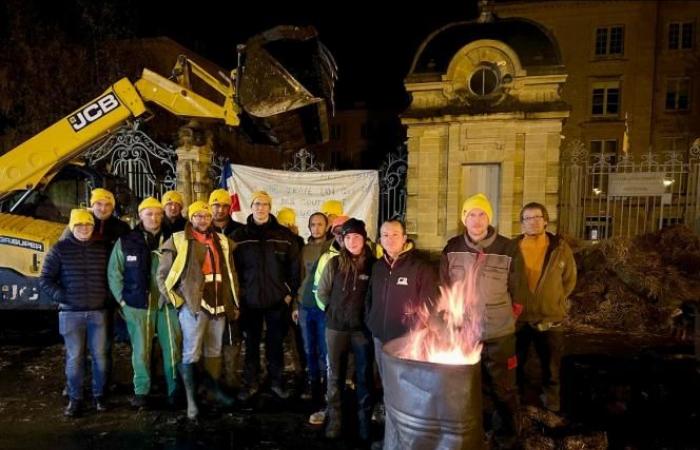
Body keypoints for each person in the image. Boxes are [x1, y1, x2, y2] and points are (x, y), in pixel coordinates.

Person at [440, 193, 522, 449]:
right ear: (464, 219)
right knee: (469, 388)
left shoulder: (508, 248)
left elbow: (519, 292)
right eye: (471, 214)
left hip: (499, 333)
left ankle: (507, 437)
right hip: (464, 334)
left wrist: (507, 320)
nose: (477, 220)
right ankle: (476, 433)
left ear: (490, 217)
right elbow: (444, 288)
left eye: (482, 214)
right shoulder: (452, 247)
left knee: (503, 388)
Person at [157, 200, 240, 420]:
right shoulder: (177, 240)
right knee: (191, 351)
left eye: (206, 216)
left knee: (214, 350)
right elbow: (162, 276)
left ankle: (209, 395)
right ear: (191, 218)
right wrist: (178, 301)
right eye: (198, 216)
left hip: (219, 303)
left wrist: (234, 302)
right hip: (194, 304)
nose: (202, 220)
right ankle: (192, 402)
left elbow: (231, 274)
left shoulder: (221, 240)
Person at [108, 197, 182, 409]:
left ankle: (175, 390)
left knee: (173, 347)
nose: (154, 217)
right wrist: (122, 301)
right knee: (140, 350)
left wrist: (179, 298)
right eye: (149, 213)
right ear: (140, 215)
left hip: (167, 304)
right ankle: (142, 391)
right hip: (138, 305)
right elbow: (114, 273)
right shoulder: (127, 240)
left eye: (158, 213)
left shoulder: (173, 239)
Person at [231, 191, 301, 401]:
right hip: (249, 300)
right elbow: (232, 268)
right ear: (251, 207)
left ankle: (276, 382)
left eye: (265, 204)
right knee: (251, 343)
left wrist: (289, 293)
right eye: (257, 204)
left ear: (270, 207)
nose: (260, 208)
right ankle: (251, 382)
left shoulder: (284, 235)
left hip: (277, 301)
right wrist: (240, 294)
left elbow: (295, 267)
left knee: (275, 343)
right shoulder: (239, 236)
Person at [40, 209, 110, 417]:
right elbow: (45, 279)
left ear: (93, 226)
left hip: (98, 312)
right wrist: (64, 296)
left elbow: (113, 275)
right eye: (79, 225)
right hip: (70, 314)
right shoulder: (59, 249)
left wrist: (106, 297)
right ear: (72, 227)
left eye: (87, 225)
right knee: (75, 357)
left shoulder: (103, 249)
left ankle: (100, 396)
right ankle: (75, 399)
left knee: (101, 357)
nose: (84, 229)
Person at [514, 202, 576, 413]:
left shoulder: (559, 248)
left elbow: (569, 280)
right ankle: (518, 405)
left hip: (550, 318)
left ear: (546, 221)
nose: (533, 221)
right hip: (519, 318)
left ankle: (551, 406)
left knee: (552, 368)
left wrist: (554, 299)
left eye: (537, 217)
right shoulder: (513, 248)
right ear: (522, 224)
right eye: (528, 218)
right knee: (516, 365)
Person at [317, 218, 376, 441]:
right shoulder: (334, 264)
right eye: (348, 237)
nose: (352, 241)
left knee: (364, 376)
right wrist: (333, 314)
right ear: (343, 240)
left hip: (361, 331)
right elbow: (322, 293)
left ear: (364, 239)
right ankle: (335, 420)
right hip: (336, 329)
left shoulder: (374, 265)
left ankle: (363, 422)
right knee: (335, 376)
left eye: (356, 237)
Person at [297, 212, 332, 403]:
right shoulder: (304, 250)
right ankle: (313, 385)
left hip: (324, 308)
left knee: (325, 348)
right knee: (309, 348)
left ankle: (327, 387)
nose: (316, 228)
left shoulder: (334, 248)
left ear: (327, 226)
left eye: (320, 224)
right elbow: (300, 278)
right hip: (305, 307)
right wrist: (296, 304)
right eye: (313, 225)